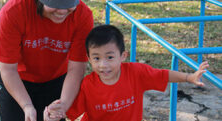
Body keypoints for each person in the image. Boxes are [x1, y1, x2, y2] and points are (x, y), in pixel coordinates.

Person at [0, 0, 94, 121]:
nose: (62, 11)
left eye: (68, 2)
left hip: (56, 79)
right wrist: (27, 106)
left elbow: (76, 67)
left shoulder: (82, 16)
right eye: (55, 2)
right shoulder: (13, 11)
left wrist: (63, 105)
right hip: (16, 78)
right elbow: (8, 69)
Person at [44, 24, 209, 121]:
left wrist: (189, 77)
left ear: (123, 55)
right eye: (96, 58)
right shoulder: (88, 84)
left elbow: (163, 75)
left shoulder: (136, 73)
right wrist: (54, 113)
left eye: (109, 57)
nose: (103, 65)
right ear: (88, 59)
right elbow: (71, 112)